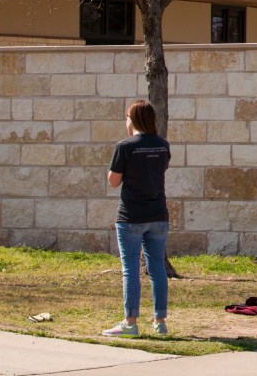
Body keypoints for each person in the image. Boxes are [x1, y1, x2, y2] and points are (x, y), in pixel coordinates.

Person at [102, 99, 171, 337]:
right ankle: (160, 321)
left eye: (127, 118)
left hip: (130, 216)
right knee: (157, 268)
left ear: (133, 120)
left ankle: (130, 322)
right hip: (158, 215)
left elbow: (113, 181)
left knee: (130, 269)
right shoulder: (163, 145)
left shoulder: (125, 147)